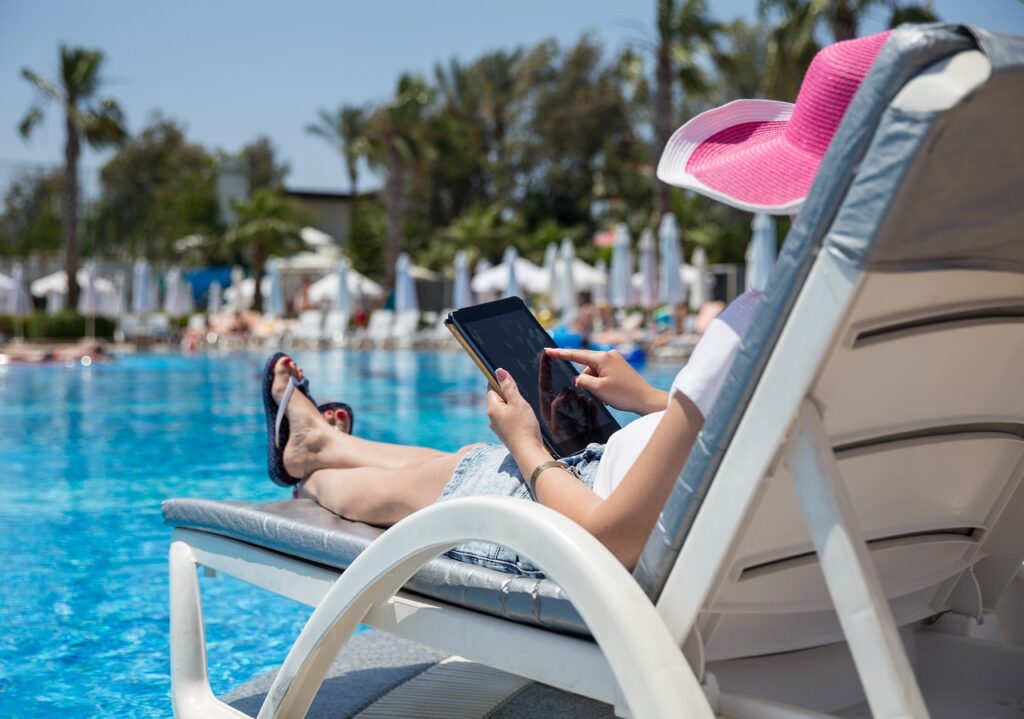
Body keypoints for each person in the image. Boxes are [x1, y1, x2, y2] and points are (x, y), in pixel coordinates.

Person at [264, 30, 892, 574]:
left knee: (415, 490)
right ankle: (323, 444)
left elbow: (609, 540)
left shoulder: (759, 325)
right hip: (733, 527)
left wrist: (526, 446)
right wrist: (655, 401)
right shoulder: (911, 325)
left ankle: (315, 469)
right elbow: (778, 434)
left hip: (596, 523)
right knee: (467, 462)